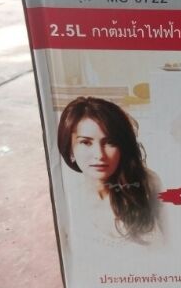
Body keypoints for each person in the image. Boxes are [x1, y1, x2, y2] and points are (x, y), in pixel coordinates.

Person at [57, 96, 164, 246]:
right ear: (70, 150)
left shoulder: (148, 183)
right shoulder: (71, 202)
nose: (99, 155)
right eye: (86, 142)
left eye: (110, 142)